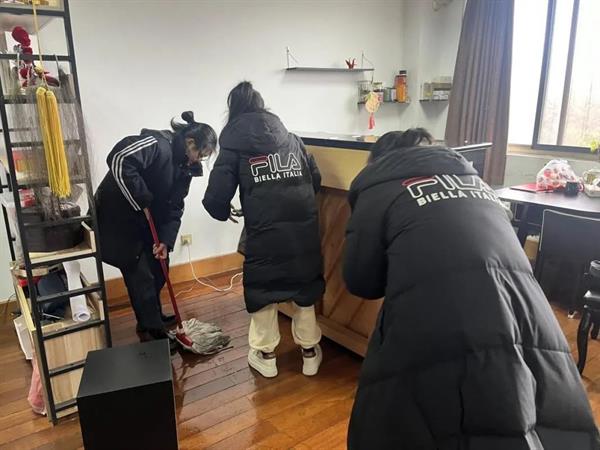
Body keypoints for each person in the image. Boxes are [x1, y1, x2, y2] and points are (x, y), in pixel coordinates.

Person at [344, 128, 599, 449]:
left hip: (440, 313)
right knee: (533, 411)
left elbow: (361, 281)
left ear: (379, 161)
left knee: (419, 417)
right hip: (525, 309)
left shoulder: (379, 189)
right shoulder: (479, 185)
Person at [203, 81, 324, 378]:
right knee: (304, 284)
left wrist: (225, 212)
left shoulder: (233, 145)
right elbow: (316, 179)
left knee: (263, 287)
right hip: (302, 227)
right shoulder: (292, 139)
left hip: (264, 229)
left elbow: (215, 198)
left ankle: (266, 355)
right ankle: (309, 352)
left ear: (234, 111)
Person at [94, 112, 217, 345]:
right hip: (118, 219)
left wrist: (165, 241)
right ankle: (152, 331)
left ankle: (153, 317)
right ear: (190, 142)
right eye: (200, 154)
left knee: (159, 268)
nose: (199, 160)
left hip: (146, 219)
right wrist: (142, 200)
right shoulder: (157, 144)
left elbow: (175, 205)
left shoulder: (185, 167)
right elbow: (119, 158)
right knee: (141, 274)